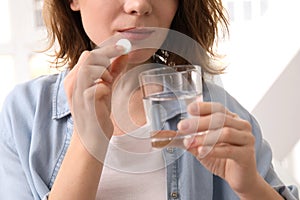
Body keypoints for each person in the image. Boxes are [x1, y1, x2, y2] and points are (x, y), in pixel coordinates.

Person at [0, 0, 298, 199]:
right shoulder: (23, 115)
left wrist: (251, 187)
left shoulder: (218, 110)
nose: (140, 4)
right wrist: (87, 141)